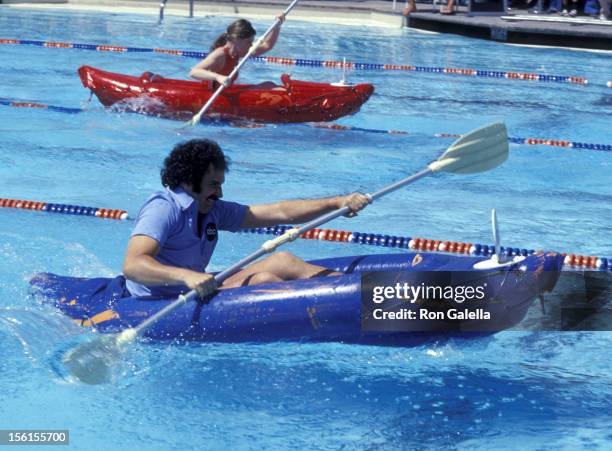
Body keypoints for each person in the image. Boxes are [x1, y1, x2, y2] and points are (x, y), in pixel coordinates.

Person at [123, 139, 371, 299]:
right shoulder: (164, 208)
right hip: (161, 300)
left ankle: (365, 295)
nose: (219, 193)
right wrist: (186, 277)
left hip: (196, 288)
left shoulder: (212, 208)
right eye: (213, 184)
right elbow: (133, 265)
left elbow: (280, 212)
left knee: (282, 260)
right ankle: (348, 308)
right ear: (188, 180)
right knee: (264, 280)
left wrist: (337, 202)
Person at [189, 17, 284, 89]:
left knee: (269, 85)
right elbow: (194, 72)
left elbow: (267, 45)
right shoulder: (220, 54)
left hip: (227, 92)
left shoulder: (238, 52)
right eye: (249, 42)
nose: (251, 45)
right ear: (237, 40)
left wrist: (277, 26)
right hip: (213, 94)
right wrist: (218, 77)